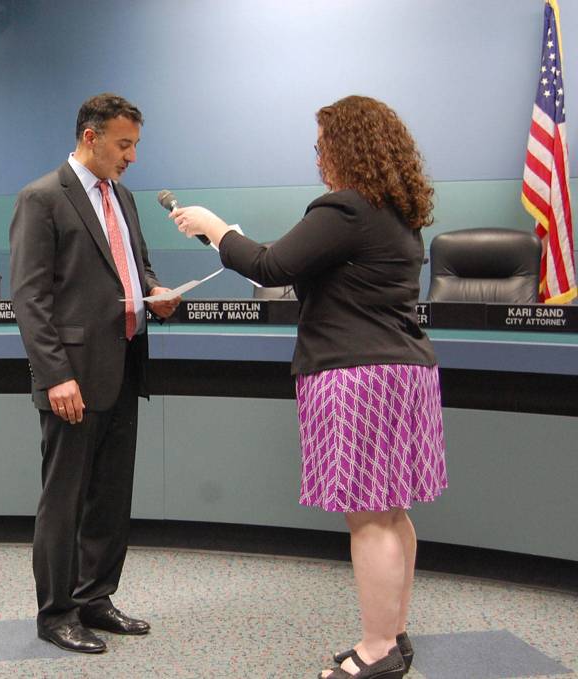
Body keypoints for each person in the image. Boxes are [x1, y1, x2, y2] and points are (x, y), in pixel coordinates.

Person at [172, 95, 447, 679]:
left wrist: (215, 228)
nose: (318, 155)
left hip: (357, 376)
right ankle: (393, 637)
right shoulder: (395, 211)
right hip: (404, 371)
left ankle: (375, 652)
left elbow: (272, 267)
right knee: (391, 512)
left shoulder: (344, 207)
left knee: (369, 519)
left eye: (322, 144)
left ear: (345, 148)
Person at [10, 93, 180, 654]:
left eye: (134, 145)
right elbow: (29, 298)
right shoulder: (42, 198)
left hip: (126, 363)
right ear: (91, 137)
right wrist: (54, 374)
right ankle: (56, 612)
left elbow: (137, 264)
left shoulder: (123, 197)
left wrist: (154, 290)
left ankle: (95, 597)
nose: (131, 156)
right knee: (65, 499)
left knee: (110, 494)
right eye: (124, 144)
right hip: (72, 376)